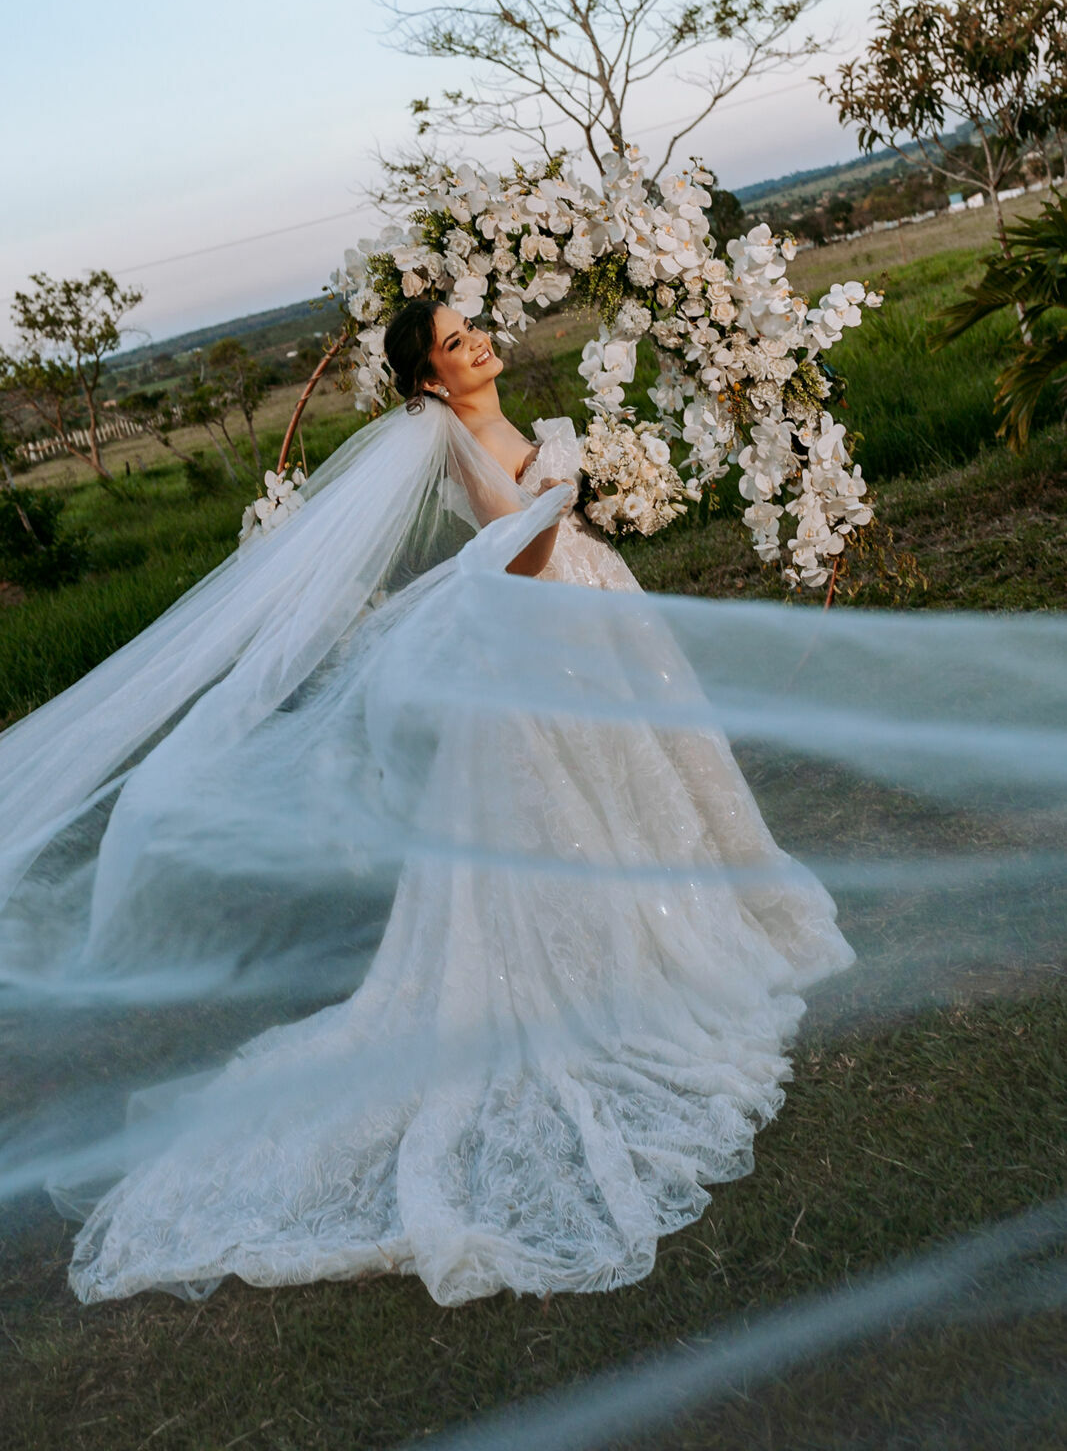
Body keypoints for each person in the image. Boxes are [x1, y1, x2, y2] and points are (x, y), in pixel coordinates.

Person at [1, 300, 855, 1307]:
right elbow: (516, 561)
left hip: (590, 616)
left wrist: (576, 488)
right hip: (541, 636)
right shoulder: (449, 442)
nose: (477, 344)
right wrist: (561, 492)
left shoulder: (498, 421)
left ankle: (676, 915)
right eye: (454, 343)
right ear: (427, 381)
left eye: (471, 330)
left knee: (637, 780)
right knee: (568, 811)